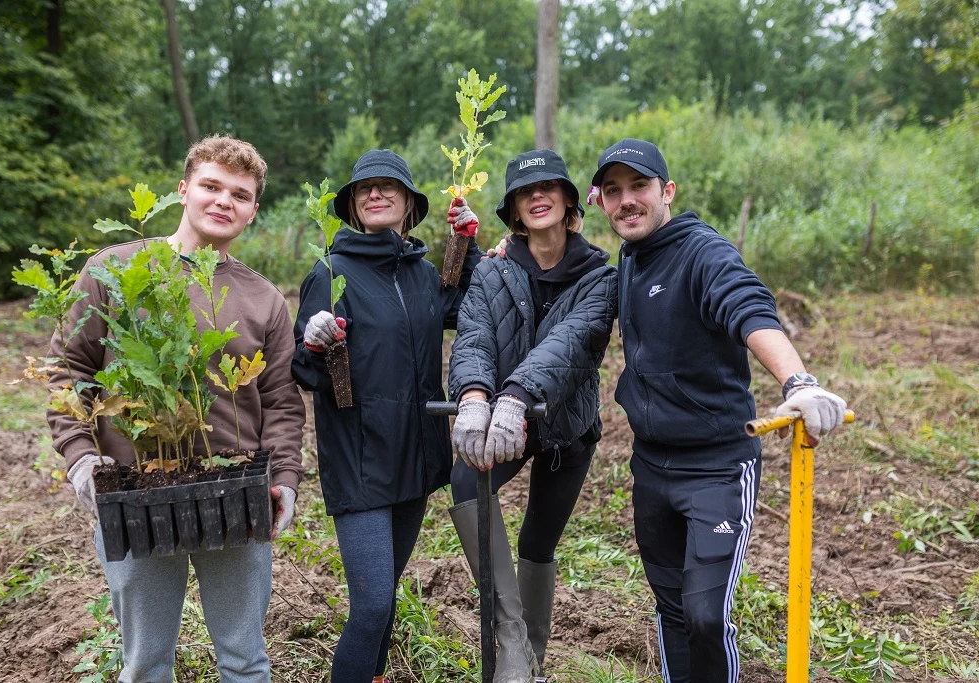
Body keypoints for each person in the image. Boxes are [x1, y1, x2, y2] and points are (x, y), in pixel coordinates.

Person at [590, 138, 849, 683]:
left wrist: (798, 382)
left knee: (706, 616)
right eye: (613, 191)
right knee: (672, 612)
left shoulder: (703, 253)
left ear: (668, 191)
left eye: (639, 186)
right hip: (651, 468)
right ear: (599, 201)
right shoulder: (631, 255)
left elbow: (747, 307)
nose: (627, 200)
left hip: (717, 469)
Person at [51, 134, 307, 683]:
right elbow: (69, 370)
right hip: (133, 494)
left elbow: (282, 400)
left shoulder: (263, 299)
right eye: (211, 186)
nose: (223, 201)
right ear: (183, 190)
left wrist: (284, 475)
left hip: (236, 497)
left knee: (244, 660)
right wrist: (80, 459)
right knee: (145, 664)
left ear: (253, 211)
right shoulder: (114, 271)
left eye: (239, 195)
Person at [291, 149, 481, 683]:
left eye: (388, 187)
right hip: (361, 460)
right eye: (365, 188)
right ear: (353, 206)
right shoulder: (331, 273)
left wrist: (467, 244)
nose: (376, 194)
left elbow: (471, 306)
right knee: (372, 604)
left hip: (416, 460)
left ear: (408, 205)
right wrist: (313, 341)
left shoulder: (423, 275)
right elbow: (303, 370)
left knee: (385, 597)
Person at [446, 150, 618, 682]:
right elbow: (473, 336)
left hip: (565, 429)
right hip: (498, 421)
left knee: (538, 543)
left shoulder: (600, 277)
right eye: (525, 192)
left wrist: (517, 396)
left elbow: (570, 345)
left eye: (548, 188)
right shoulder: (493, 271)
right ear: (514, 211)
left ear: (569, 201)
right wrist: (474, 395)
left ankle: (532, 665)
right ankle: (512, 642)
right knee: (464, 480)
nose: (537, 197)